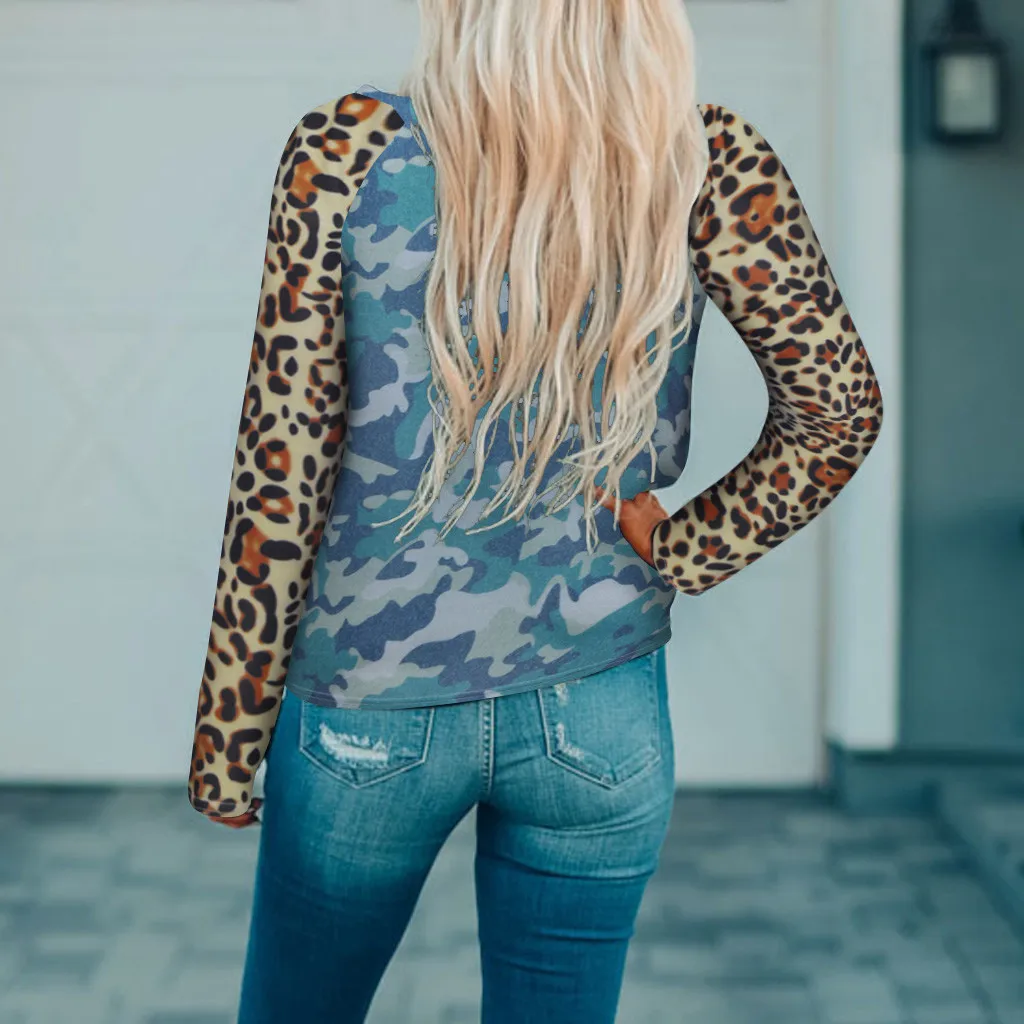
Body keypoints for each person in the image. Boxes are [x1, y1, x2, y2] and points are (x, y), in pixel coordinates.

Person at [187, 1, 885, 1020]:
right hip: (599, 705)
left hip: (367, 714)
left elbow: (280, 465)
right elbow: (840, 408)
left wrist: (229, 736)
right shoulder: (705, 158)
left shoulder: (346, 151)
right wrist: (683, 547)